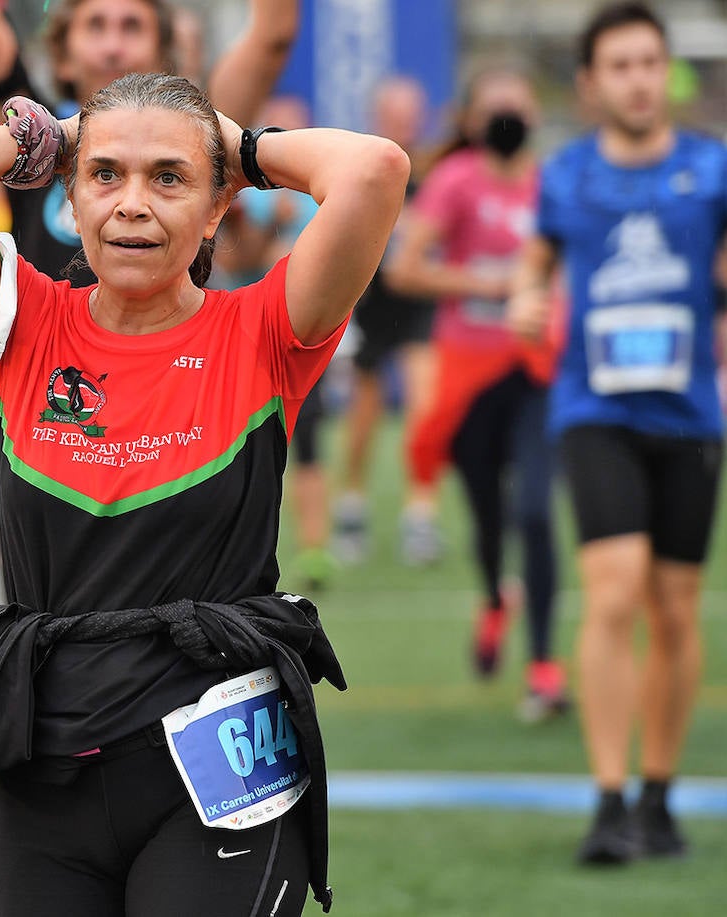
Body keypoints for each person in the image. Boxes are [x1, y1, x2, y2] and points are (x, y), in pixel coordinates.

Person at [0, 72, 408, 916]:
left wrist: (242, 149)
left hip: (216, 770)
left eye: (169, 178)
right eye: (105, 175)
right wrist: (47, 139)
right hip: (45, 762)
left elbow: (375, 168)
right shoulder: (26, 323)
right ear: (74, 199)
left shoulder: (265, 330)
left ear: (215, 210)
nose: (132, 203)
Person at [0, 0, 300, 632]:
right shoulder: (33, 143)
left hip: (179, 408)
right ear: (63, 50)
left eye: (131, 26)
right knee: (5, 638)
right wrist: (68, 136)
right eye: (95, 27)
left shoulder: (196, 133)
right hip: (47, 418)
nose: (112, 46)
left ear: (166, 50)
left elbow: (272, 37)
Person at [508, 2, 726, 864]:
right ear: (592, 83)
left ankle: (660, 796)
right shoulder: (566, 177)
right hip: (594, 408)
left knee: (674, 608)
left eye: (651, 62)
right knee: (614, 591)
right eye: (621, 65)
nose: (640, 79)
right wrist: (526, 300)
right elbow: (535, 268)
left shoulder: (711, 171)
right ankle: (607, 801)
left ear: (667, 73)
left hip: (690, 414)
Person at [390, 67, 567, 720]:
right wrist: (488, 285)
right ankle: (496, 596)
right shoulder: (454, 182)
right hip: (468, 375)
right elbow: (406, 269)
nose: (507, 114)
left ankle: (545, 663)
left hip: (536, 372)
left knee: (539, 511)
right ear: (471, 118)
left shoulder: (555, 185)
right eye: (495, 104)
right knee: (490, 515)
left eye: (517, 103)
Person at [218, 95, 335, 591]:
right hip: (241, 332)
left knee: (308, 445)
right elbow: (238, 261)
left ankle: (314, 550)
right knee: (233, 448)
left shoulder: (318, 195)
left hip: (295, 337)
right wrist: (270, 222)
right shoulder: (252, 194)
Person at [332, 75, 441, 566]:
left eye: (412, 113)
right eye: (396, 113)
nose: (405, 123)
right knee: (365, 414)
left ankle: (421, 514)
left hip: (419, 305)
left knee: (425, 406)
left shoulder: (436, 176)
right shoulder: (366, 168)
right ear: (379, 117)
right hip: (373, 304)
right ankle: (351, 505)